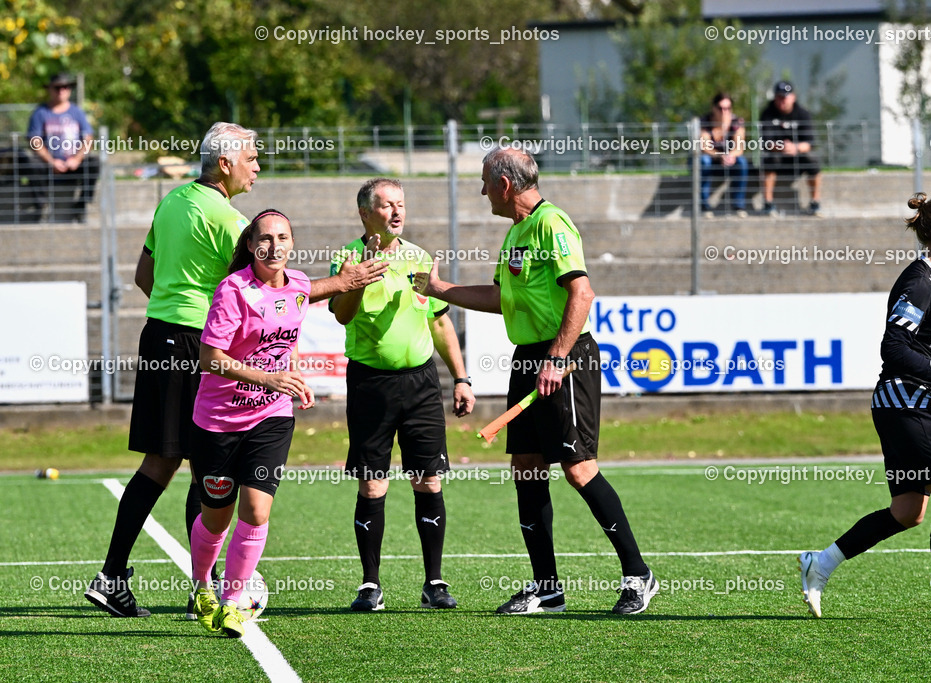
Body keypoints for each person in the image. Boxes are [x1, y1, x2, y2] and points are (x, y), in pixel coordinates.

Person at [84, 122, 387, 619]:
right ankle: (201, 590)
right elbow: (272, 291)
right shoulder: (229, 220)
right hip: (197, 346)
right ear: (225, 163)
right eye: (251, 158)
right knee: (207, 466)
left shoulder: (172, 200)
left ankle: (114, 575)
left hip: (160, 334)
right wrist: (345, 280)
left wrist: (179, 312)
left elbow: (143, 275)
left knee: (162, 462)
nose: (257, 167)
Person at [415, 148, 658, 615]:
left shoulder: (552, 224)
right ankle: (547, 589)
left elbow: (582, 293)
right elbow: (500, 297)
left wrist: (557, 357)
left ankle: (638, 574)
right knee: (526, 467)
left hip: (564, 357)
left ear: (505, 185)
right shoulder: (515, 233)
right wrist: (439, 289)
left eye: (485, 181)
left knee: (578, 468)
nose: (482, 191)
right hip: (528, 357)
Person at [799, 193, 931, 620]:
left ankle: (820, 563)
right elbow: (893, 347)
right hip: (904, 403)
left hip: (914, 403)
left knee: (908, 512)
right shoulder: (918, 280)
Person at [330, 177, 475, 612]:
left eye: (401, 204)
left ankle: (435, 582)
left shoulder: (420, 257)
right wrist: (360, 275)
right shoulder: (347, 257)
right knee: (373, 484)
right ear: (365, 213)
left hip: (422, 385)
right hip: (370, 384)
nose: (397, 212)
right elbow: (342, 315)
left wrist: (462, 378)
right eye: (387, 205)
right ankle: (370, 585)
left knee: (428, 479)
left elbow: (440, 322)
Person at [189, 209, 314, 637]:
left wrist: (293, 378)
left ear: (292, 243)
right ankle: (202, 585)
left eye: (282, 237)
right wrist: (267, 377)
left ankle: (231, 603)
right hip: (218, 421)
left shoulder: (300, 286)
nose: (274, 246)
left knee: (257, 510)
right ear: (250, 245)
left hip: (271, 415)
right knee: (216, 519)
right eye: (265, 238)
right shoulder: (233, 290)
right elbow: (209, 358)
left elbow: (285, 340)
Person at [25, 72, 99, 221]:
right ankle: (41, 207)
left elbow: (88, 138)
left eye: (65, 87)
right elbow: (34, 141)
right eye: (57, 87)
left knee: (94, 163)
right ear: (50, 89)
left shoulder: (77, 112)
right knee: (31, 163)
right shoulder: (40, 113)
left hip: (73, 165)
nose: (61, 91)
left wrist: (77, 159)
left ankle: (81, 206)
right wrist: (51, 162)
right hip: (48, 165)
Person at [758, 80, 822, 217]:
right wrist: (781, 146)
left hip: (798, 157)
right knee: (768, 160)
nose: (782, 100)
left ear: (793, 97)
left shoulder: (803, 114)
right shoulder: (767, 114)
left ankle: (815, 203)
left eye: (785, 97)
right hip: (777, 156)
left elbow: (809, 143)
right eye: (779, 97)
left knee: (813, 160)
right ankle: (768, 204)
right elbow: (766, 143)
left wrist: (795, 147)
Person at [699, 92, 749, 217]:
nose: (724, 111)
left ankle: (738, 206)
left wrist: (730, 156)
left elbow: (739, 147)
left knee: (742, 162)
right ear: (713, 108)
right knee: (704, 161)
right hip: (710, 159)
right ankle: (704, 206)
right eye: (720, 108)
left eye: (727, 108)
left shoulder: (736, 122)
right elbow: (705, 147)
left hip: (729, 160)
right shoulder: (704, 122)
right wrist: (719, 155)